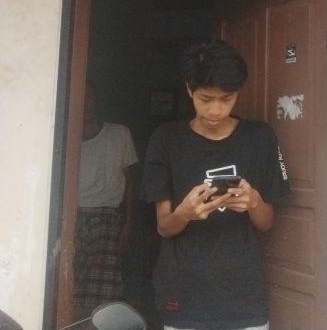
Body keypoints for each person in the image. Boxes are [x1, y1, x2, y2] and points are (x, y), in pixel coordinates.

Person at [141, 40, 289, 330]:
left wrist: (254, 202)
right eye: (205, 98)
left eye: (227, 98)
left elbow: (266, 223)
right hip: (184, 295)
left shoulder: (260, 138)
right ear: (189, 90)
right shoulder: (166, 140)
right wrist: (185, 213)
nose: (216, 110)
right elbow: (164, 227)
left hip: (244, 297)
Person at [74, 81, 138, 318]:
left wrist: (128, 224)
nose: (86, 104)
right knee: (72, 286)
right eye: (81, 99)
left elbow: (129, 181)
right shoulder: (65, 138)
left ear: (98, 102)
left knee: (104, 292)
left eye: (90, 98)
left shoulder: (119, 134)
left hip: (107, 218)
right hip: (73, 216)